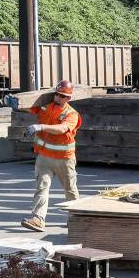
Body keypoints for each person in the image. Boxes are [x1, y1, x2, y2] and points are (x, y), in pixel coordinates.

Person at [10, 79, 82, 232]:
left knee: (70, 190)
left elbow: (62, 129)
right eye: (56, 94)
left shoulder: (71, 114)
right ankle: (38, 219)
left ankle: (77, 220)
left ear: (68, 98)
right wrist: (14, 100)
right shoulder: (45, 107)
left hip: (64, 158)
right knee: (41, 187)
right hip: (44, 157)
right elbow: (28, 105)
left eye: (62, 96)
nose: (58, 97)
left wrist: (41, 126)